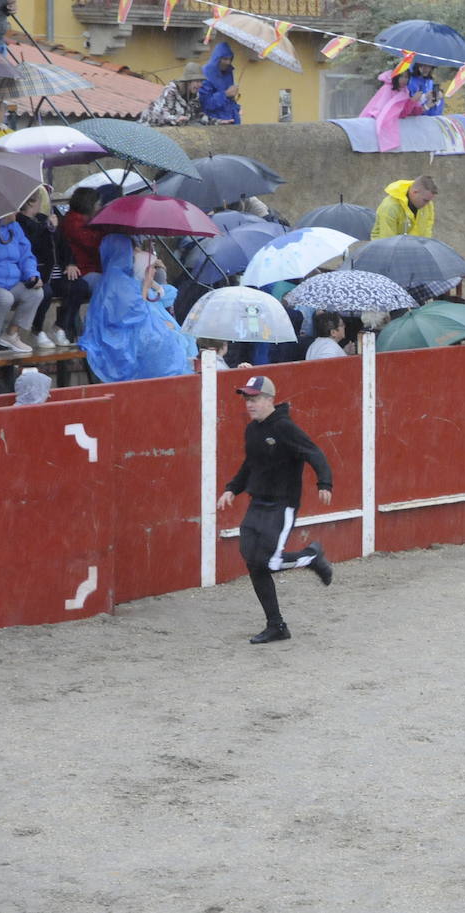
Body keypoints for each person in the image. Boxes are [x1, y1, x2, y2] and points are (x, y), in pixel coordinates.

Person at [216, 375, 334, 644]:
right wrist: (232, 489)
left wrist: (324, 482)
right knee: (253, 562)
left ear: (270, 400)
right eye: (247, 399)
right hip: (257, 503)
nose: (249, 404)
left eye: (255, 399)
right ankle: (276, 626)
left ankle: (310, 556)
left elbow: (313, 452)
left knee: (268, 561)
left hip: (282, 505)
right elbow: (250, 465)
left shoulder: (284, 427)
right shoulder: (252, 430)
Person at [77, 234, 196, 383]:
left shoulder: (115, 277)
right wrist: (146, 284)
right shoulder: (118, 279)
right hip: (120, 336)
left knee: (174, 335)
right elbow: (135, 312)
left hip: (125, 331)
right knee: (167, 341)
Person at [16, 189, 88, 346]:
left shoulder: (43, 219)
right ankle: (37, 330)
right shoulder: (19, 222)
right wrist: (48, 228)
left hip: (57, 272)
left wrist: (70, 263)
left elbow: (64, 244)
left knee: (79, 286)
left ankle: (59, 327)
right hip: (39, 273)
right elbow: (30, 245)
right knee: (45, 292)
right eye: (41, 199)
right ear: (31, 202)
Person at [0, 212, 43, 354]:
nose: (17, 212)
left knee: (35, 293)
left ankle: (10, 335)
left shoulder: (15, 227)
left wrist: (32, 275)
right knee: (4, 297)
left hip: (12, 282)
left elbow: (27, 256)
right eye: (13, 210)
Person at [358, 69, 424, 152]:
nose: (404, 80)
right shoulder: (387, 89)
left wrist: (425, 105)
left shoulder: (405, 91)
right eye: (401, 76)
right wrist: (412, 101)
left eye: (406, 77)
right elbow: (393, 112)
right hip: (374, 122)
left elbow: (407, 112)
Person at [60, 187, 104, 290]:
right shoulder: (74, 224)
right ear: (89, 205)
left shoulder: (82, 222)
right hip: (82, 272)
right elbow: (95, 245)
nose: (100, 208)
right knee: (109, 286)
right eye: (98, 205)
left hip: (90, 270)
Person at [138, 62, 207, 126]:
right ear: (188, 81)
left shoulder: (195, 95)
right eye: (197, 81)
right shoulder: (171, 91)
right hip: (150, 125)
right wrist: (176, 119)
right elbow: (162, 114)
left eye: (201, 81)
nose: (200, 85)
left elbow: (197, 115)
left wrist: (212, 121)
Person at [370, 174, 436, 239]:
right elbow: (387, 241)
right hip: (383, 246)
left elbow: (426, 234)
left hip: (411, 245)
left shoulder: (428, 205)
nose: (428, 204)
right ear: (414, 192)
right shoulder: (390, 207)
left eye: (429, 201)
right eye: (425, 200)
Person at [197, 41, 241, 125]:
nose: (228, 62)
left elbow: (229, 102)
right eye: (225, 59)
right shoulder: (206, 74)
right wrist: (225, 94)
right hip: (214, 123)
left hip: (231, 121)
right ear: (217, 58)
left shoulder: (228, 73)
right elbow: (205, 104)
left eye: (230, 59)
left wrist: (236, 107)